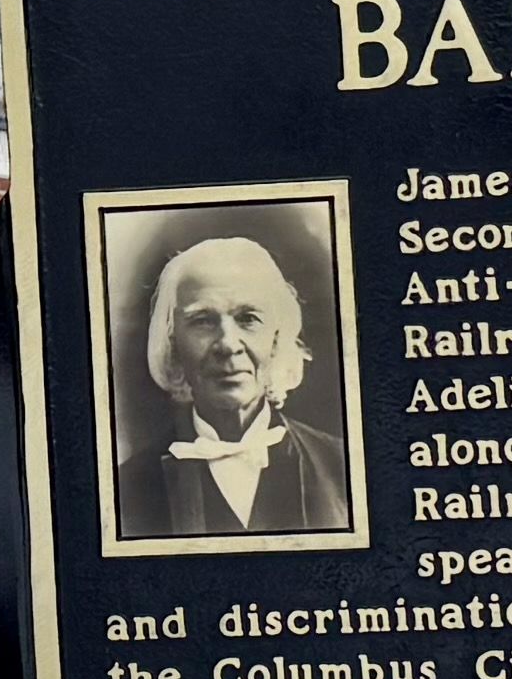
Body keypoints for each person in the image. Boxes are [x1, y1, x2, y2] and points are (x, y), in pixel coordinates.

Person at [112, 225, 353, 541]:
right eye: (203, 321)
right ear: (174, 344)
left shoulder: (343, 469)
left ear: (277, 338)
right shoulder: (127, 489)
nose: (228, 344)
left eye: (248, 319)